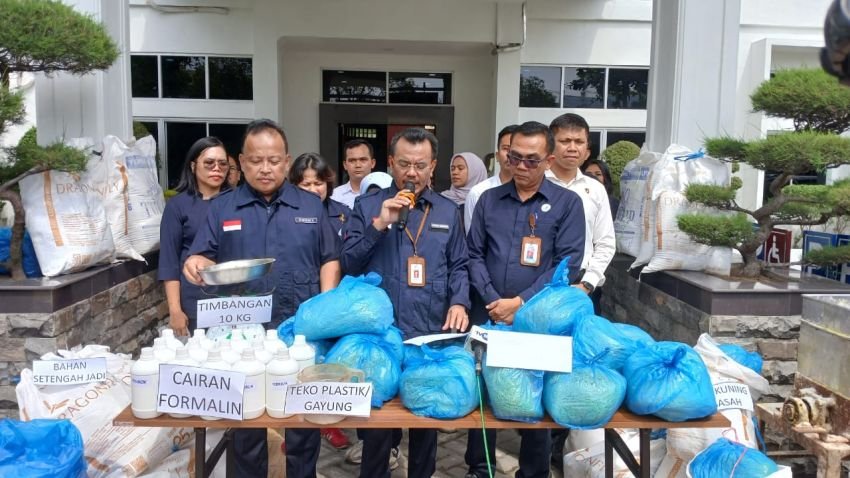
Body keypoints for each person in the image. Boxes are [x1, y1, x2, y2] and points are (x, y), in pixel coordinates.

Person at [183, 119, 341, 478]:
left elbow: (329, 257)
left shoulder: (311, 206)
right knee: (247, 421)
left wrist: (326, 307)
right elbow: (202, 255)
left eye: (273, 160)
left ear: (286, 162)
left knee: (302, 419)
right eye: (256, 160)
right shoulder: (223, 208)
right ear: (242, 161)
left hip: (299, 330)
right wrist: (196, 262)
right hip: (242, 333)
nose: (265, 168)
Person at [342, 127, 470, 478]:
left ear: (433, 167)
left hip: (429, 330)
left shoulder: (447, 210)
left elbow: (459, 263)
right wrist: (380, 223)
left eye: (420, 165)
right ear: (390, 164)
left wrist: (459, 302)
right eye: (403, 164)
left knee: (425, 418)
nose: (411, 173)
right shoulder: (367, 205)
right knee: (378, 422)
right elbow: (349, 263)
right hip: (379, 333)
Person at [464, 121, 586, 478]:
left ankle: (533, 471)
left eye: (531, 160)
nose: (520, 166)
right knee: (483, 389)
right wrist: (492, 301)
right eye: (514, 156)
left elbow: (568, 265)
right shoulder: (488, 200)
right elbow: (473, 254)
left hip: (539, 320)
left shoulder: (567, 203)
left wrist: (520, 303)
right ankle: (480, 466)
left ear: (548, 161)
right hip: (488, 314)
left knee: (535, 392)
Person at [158, 137, 231, 336]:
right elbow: (169, 261)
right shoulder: (178, 206)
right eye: (209, 163)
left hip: (235, 299)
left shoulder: (238, 202)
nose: (217, 168)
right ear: (193, 165)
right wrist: (175, 310)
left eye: (222, 164)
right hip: (195, 299)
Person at [546, 113, 615, 311]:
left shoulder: (595, 189)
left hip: (581, 285)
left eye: (579, 141)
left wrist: (587, 284)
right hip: (538, 284)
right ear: (550, 145)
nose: (572, 147)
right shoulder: (537, 184)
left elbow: (605, 242)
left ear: (586, 149)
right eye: (565, 141)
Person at [464, 125, 518, 233]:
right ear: (497, 156)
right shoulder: (479, 192)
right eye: (506, 149)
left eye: (515, 150)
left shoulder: (535, 192)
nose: (510, 155)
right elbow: (473, 240)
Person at [331, 139, 376, 209]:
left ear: (372, 163)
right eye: (352, 161)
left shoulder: (384, 194)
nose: (358, 165)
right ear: (345, 165)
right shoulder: (334, 196)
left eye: (363, 160)